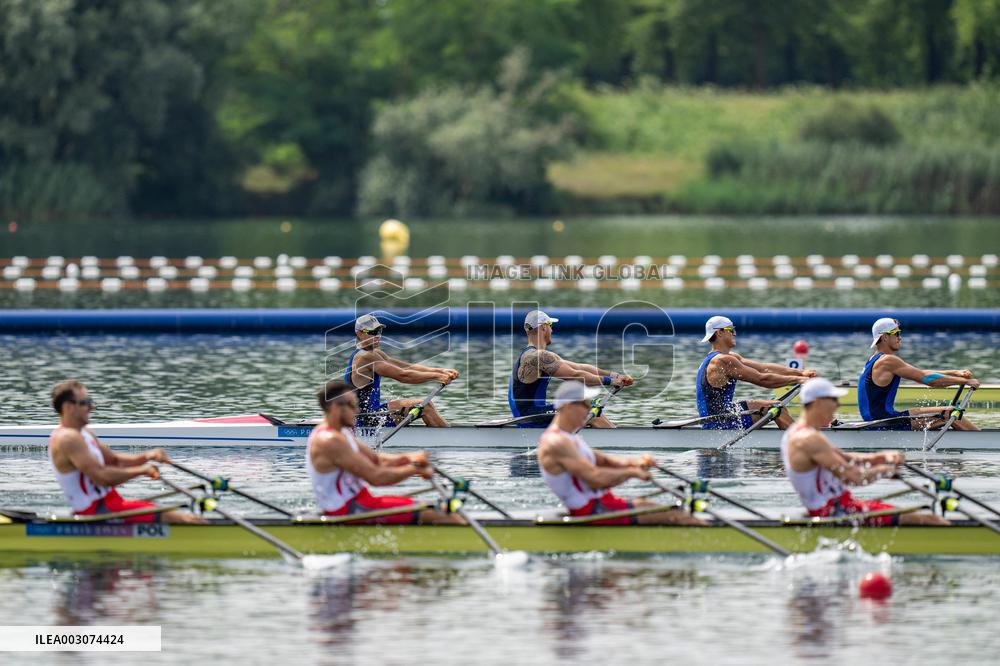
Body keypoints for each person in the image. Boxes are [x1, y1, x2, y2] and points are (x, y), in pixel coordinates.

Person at [782, 378, 948, 526]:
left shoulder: (798, 432)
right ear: (818, 402)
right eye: (834, 400)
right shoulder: (808, 439)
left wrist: (881, 457)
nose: (838, 405)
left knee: (916, 515)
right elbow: (853, 477)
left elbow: (845, 458)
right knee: (931, 520)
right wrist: (883, 471)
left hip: (839, 506)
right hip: (834, 512)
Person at [537, 381, 705, 526]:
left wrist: (636, 463)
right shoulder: (556, 442)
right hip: (591, 512)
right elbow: (594, 479)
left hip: (604, 504)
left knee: (671, 510)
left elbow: (605, 460)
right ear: (568, 407)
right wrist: (631, 473)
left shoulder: (570, 438)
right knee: (676, 515)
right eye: (585, 405)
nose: (589, 410)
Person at [308, 380, 463, 524]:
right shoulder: (330, 440)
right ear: (335, 408)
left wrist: (411, 458)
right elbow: (377, 477)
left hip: (361, 502)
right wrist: (414, 469)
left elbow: (377, 459)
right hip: (345, 512)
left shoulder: (342, 432)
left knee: (439, 508)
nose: (357, 409)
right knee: (438, 513)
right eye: (352, 404)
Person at [48, 380, 202, 524]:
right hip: (95, 512)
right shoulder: (68, 439)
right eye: (85, 403)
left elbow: (115, 461)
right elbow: (102, 477)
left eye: (90, 402)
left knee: (181, 515)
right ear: (68, 407)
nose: (91, 407)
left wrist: (147, 456)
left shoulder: (85, 433)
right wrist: (142, 470)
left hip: (111, 503)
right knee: (184, 520)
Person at [509, 310, 633, 427]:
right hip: (530, 416)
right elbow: (574, 376)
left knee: (588, 408)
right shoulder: (538, 356)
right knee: (588, 410)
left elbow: (580, 367)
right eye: (550, 325)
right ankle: (620, 446)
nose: (552, 330)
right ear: (543, 327)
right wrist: (609, 381)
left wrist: (614, 376)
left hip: (533, 413)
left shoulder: (539, 355)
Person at [859, 317, 980, 431]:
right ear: (885, 337)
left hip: (878, 419)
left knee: (945, 408)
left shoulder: (874, 359)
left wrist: (955, 373)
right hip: (883, 423)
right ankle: (984, 441)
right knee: (949, 413)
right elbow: (929, 380)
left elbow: (922, 373)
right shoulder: (888, 361)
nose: (900, 338)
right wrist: (966, 381)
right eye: (896, 333)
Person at [696, 315, 813, 429]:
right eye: (730, 330)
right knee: (777, 408)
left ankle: (792, 435)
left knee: (776, 405)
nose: (734, 334)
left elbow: (763, 368)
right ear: (719, 333)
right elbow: (762, 379)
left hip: (724, 411)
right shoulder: (721, 361)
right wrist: (799, 380)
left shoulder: (728, 357)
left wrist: (801, 373)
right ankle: (803, 442)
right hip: (717, 422)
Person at [345, 313, 458, 431]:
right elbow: (403, 375)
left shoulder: (375, 352)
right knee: (425, 406)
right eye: (373, 332)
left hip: (373, 412)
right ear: (359, 333)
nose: (378, 336)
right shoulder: (365, 357)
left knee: (420, 404)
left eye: (379, 332)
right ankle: (453, 440)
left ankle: (443, 433)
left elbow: (406, 367)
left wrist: (441, 371)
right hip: (366, 420)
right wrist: (437, 376)